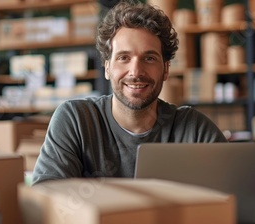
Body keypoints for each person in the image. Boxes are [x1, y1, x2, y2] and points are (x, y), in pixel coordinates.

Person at [32, 0, 227, 185]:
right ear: (107, 68)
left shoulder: (194, 131)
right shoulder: (76, 121)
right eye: (124, 57)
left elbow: (234, 201)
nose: (136, 72)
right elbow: (46, 203)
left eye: (149, 58)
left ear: (166, 69)